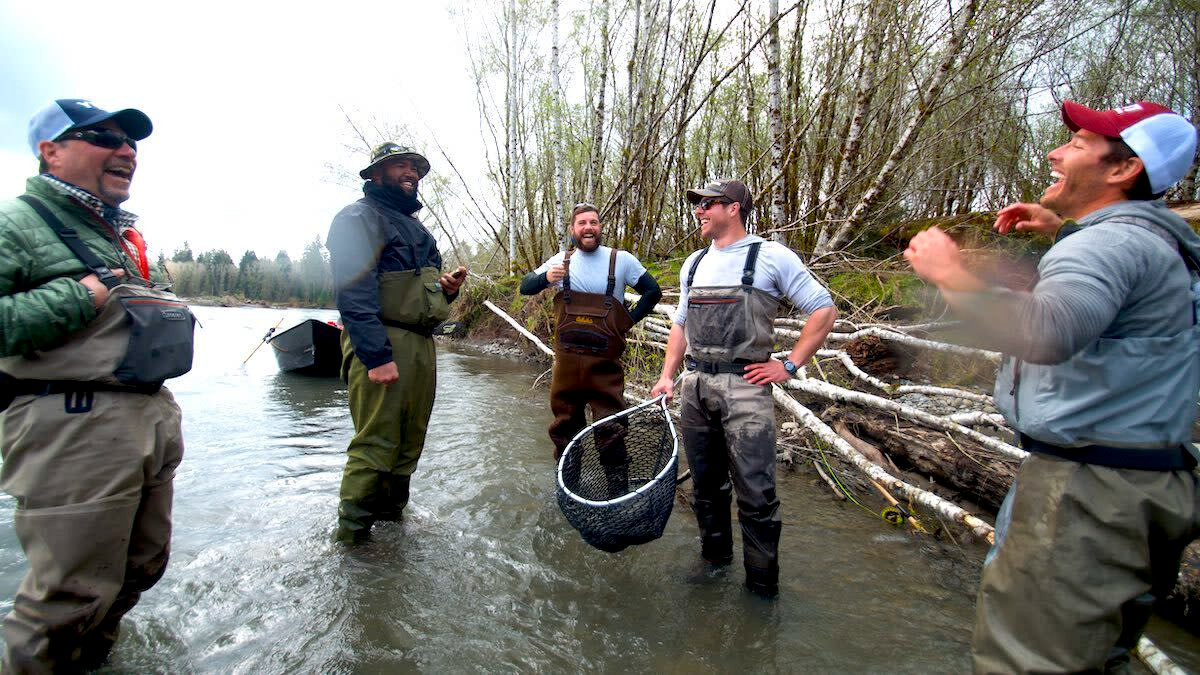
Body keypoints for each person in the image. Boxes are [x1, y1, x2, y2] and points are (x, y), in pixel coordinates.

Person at [903, 101, 1200, 672]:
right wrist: (1065, 229)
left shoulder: (1108, 246)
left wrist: (946, 271)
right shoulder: (1159, 242)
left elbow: (1045, 332)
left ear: (1122, 170)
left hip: (1087, 494)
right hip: (1145, 482)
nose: (1055, 152)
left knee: (1029, 662)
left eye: (1079, 144)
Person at [0, 99, 193, 670]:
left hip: (146, 418)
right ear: (50, 152)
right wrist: (80, 294)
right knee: (65, 601)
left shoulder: (119, 234)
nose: (125, 151)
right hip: (72, 423)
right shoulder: (17, 223)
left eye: (129, 142)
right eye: (101, 138)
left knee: (141, 568)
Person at [650, 180, 837, 598]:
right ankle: (715, 562)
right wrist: (668, 375)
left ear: (733, 208)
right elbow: (680, 324)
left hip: (746, 388)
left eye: (706, 204)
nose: (698, 211)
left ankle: (761, 585)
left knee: (756, 492)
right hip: (696, 385)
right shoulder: (693, 263)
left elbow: (824, 309)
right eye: (697, 205)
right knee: (706, 487)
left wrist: (789, 364)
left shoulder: (771, 256)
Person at [327, 142, 467, 544]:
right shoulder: (357, 217)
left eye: (415, 168)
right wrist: (376, 356)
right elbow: (353, 292)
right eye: (400, 165)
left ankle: (390, 526)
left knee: (410, 441)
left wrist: (448, 291)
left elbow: (422, 293)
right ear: (375, 174)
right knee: (376, 443)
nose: (411, 173)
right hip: (382, 341)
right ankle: (351, 541)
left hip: (421, 344)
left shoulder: (418, 228)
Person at [519, 202, 662, 458]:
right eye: (582, 223)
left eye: (593, 222)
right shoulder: (560, 262)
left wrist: (627, 321)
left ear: (600, 227)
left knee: (612, 432)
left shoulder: (621, 260)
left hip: (605, 368)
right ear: (573, 229)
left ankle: (616, 492)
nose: (588, 228)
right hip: (566, 369)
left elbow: (653, 292)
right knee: (565, 434)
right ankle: (568, 492)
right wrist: (546, 278)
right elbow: (525, 287)